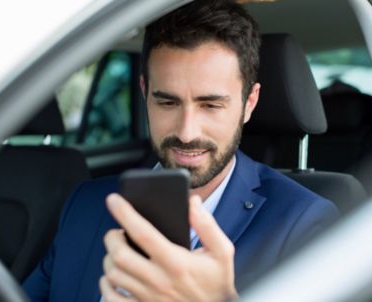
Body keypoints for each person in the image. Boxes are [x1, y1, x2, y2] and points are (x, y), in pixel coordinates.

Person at [23, 1, 339, 301]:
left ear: (249, 103)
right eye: (167, 102)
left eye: (211, 105)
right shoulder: (87, 204)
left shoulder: (304, 223)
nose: (187, 133)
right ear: (145, 92)